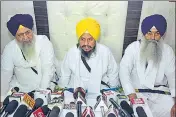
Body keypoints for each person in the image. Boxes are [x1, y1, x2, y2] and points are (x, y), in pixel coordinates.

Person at [119, 14, 175, 117]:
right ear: (144, 33)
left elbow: (173, 76)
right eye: (149, 33)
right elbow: (124, 71)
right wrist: (130, 93)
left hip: (160, 95)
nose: (153, 37)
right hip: (136, 93)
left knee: (172, 109)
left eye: (157, 33)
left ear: (162, 34)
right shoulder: (133, 48)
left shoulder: (167, 51)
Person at [1, 14, 56, 102]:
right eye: (20, 35)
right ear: (14, 36)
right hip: (21, 89)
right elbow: (5, 74)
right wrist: (1, 97)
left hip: (45, 86)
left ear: (32, 30)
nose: (25, 38)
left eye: (28, 32)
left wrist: (41, 94)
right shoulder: (9, 49)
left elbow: (48, 70)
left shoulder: (44, 42)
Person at [58, 17, 120, 95]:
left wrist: (114, 92)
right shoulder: (72, 52)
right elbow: (65, 75)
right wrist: (61, 92)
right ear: (79, 39)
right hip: (76, 90)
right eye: (82, 39)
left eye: (90, 39)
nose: (86, 44)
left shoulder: (105, 52)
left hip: (100, 90)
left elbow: (112, 74)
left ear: (95, 39)